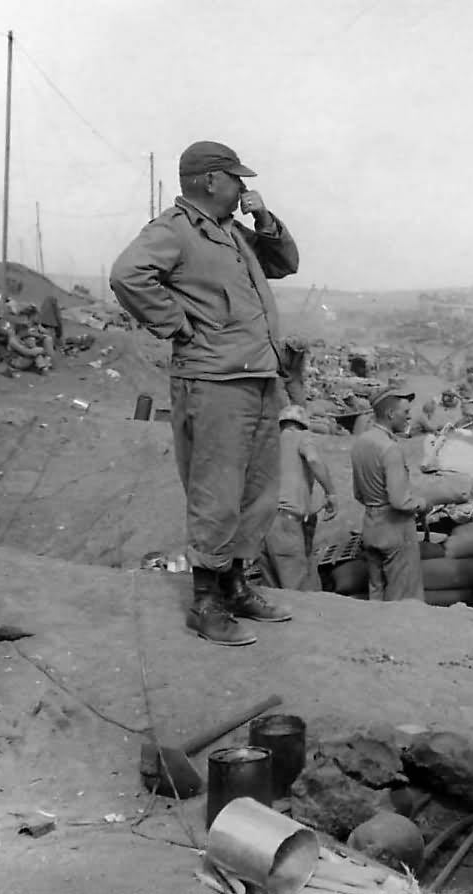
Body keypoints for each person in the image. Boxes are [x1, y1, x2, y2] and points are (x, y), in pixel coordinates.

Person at [110, 140, 299, 646]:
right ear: (212, 181)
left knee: (257, 490)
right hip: (212, 379)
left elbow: (283, 265)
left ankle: (237, 586)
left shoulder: (231, 232)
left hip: (256, 374)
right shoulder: (174, 230)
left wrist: (267, 221)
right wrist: (176, 324)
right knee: (216, 490)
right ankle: (206, 601)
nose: (244, 187)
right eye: (237, 179)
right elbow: (127, 275)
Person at [351, 388, 427, 601]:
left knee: (376, 591)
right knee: (403, 596)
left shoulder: (361, 442)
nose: (409, 416)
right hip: (394, 528)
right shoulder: (390, 448)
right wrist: (421, 503)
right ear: (391, 414)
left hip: (371, 525)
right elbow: (399, 501)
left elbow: (358, 493)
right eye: (405, 411)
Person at [259, 404, 337, 591]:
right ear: (302, 424)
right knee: (298, 592)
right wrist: (331, 492)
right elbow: (313, 459)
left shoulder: (268, 444)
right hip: (286, 523)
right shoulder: (302, 437)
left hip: (262, 523)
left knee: (271, 589)